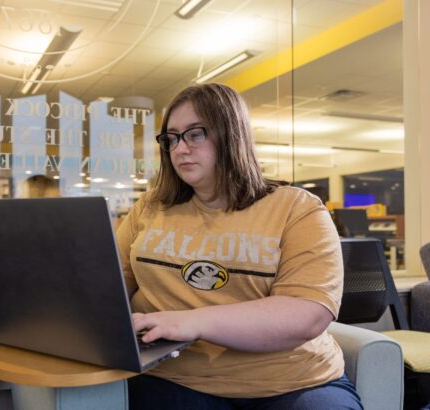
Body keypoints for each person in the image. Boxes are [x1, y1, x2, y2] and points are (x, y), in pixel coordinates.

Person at [116, 83, 362, 409]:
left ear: (231, 134)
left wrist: (188, 321)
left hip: (292, 381)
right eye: (171, 138)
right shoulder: (150, 207)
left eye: (195, 134)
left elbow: (305, 314)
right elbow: (109, 288)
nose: (179, 149)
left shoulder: (298, 208)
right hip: (174, 378)